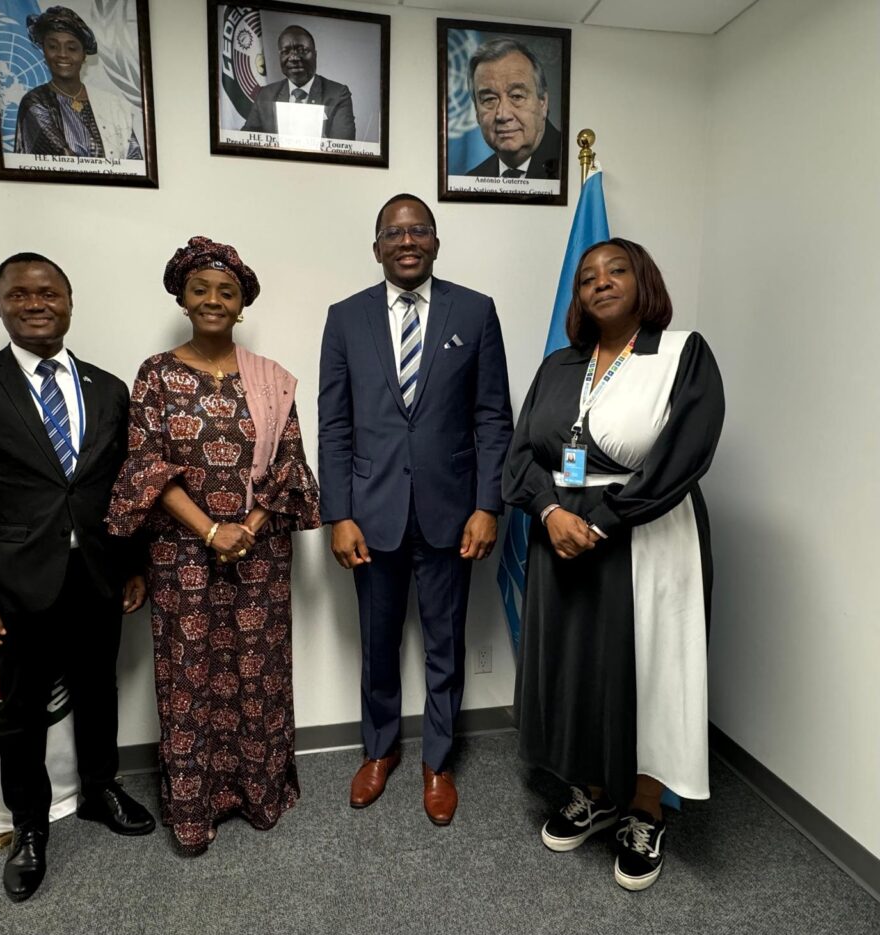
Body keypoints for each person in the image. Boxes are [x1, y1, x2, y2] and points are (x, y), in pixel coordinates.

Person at [0, 253, 155, 903]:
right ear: (0, 304)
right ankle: (27, 827)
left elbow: (126, 489)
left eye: (48, 292)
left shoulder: (108, 387)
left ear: (69, 301)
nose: (35, 302)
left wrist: (134, 562)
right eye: (19, 293)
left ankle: (101, 789)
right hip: (13, 581)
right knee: (22, 710)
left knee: (99, 688)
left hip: (98, 573)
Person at [502, 238, 725, 891]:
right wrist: (549, 512)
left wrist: (601, 519)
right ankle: (596, 791)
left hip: (647, 534)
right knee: (580, 669)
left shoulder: (681, 353)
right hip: (560, 536)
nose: (600, 283)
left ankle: (647, 807)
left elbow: (685, 452)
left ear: (643, 279)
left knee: (654, 664)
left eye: (616, 270)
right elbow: (522, 456)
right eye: (587, 276)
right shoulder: (559, 364)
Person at [106, 236, 320, 855]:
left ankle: (259, 793)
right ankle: (194, 809)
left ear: (242, 305)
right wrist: (209, 529)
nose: (213, 300)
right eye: (200, 289)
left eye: (226, 291)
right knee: (189, 677)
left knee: (258, 673)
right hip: (181, 557)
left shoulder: (271, 380)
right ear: (181, 296)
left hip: (259, 555)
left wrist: (247, 527)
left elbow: (289, 466)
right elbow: (145, 467)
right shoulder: (156, 375)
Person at [318, 194, 513, 825]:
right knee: (377, 643)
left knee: (444, 642)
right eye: (394, 232)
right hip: (370, 515)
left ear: (435, 241)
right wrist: (337, 514)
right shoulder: (345, 319)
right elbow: (335, 425)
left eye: (419, 230)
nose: (408, 241)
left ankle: (437, 760)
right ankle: (379, 751)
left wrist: (489, 505)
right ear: (376, 246)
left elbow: (492, 418)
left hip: (451, 513)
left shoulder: (475, 312)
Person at [14, 5, 142, 160]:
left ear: (84, 55)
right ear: (44, 51)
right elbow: (66, 162)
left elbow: (134, 165)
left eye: (72, 48)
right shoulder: (36, 102)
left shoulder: (113, 106)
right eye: (53, 46)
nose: (62, 54)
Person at [464, 38, 561, 180]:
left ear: (543, 103)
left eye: (516, 96)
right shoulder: (472, 179)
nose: (503, 115)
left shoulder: (573, 167)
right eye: (489, 99)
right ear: (477, 113)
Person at [242, 24, 355, 140]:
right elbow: (246, 142)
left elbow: (342, 148)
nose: (294, 58)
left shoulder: (338, 94)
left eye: (302, 50)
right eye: (285, 52)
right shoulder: (265, 95)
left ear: (315, 55)